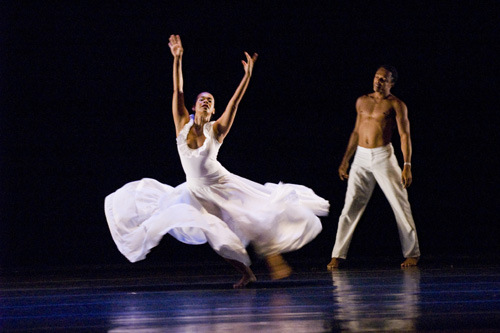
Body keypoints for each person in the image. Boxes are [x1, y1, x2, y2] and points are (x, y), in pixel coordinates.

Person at [104, 35, 329, 288]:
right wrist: (177, 58)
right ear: (194, 106)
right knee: (216, 236)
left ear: (212, 112)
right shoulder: (181, 124)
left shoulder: (217, 130)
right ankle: (247, 272)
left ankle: (273, 260)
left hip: (222, 185)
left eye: (210, 101)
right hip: (195, 191)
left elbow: (234, 103)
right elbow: (177, 90)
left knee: (252, 217)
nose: (206, 101)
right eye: (202, 99)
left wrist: (247, 77)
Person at [326, 65, 420, 269]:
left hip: (383, 156)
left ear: (391, 83)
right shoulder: (362, 101)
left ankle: (412, 253)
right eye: (377, 77)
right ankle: (337, 255)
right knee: (350, 205)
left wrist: (407, 165)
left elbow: (405, 135)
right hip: (361, 156)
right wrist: (345, 161)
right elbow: (355, 131)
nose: (378, 81)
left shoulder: (396, 105)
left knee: (399, 203)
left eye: (383, 79)